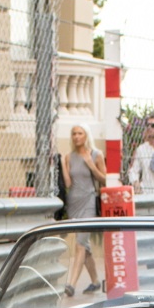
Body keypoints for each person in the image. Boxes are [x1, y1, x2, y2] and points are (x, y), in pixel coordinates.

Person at [61, 124, 105, 297]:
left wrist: (91, 166)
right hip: (74, 203)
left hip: (88, 202)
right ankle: (95, 281)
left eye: (80, 133)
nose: (76, 136)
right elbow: (68, 184)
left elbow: (105, 179)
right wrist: (64, 164)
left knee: (80, 244)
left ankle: (71, 284)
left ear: (86, 135)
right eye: (73, 134)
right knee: (84, 245)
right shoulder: (69, 156)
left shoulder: (96, 154)